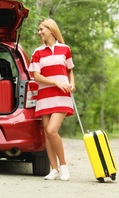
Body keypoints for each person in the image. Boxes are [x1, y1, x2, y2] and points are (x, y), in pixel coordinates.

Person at [29, 18, 76, 181]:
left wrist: (72, 83)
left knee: (51, 130)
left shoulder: (65, 49)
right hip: (44, 96)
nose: (39, 32)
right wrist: (55, 81)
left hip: (62, 96)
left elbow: (70, 70)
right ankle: (54, 169)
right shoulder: (37, 52)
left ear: (51, 30)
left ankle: (63, 166)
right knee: (47, 135)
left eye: (42, 29)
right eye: (39, 30)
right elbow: (36, 76)